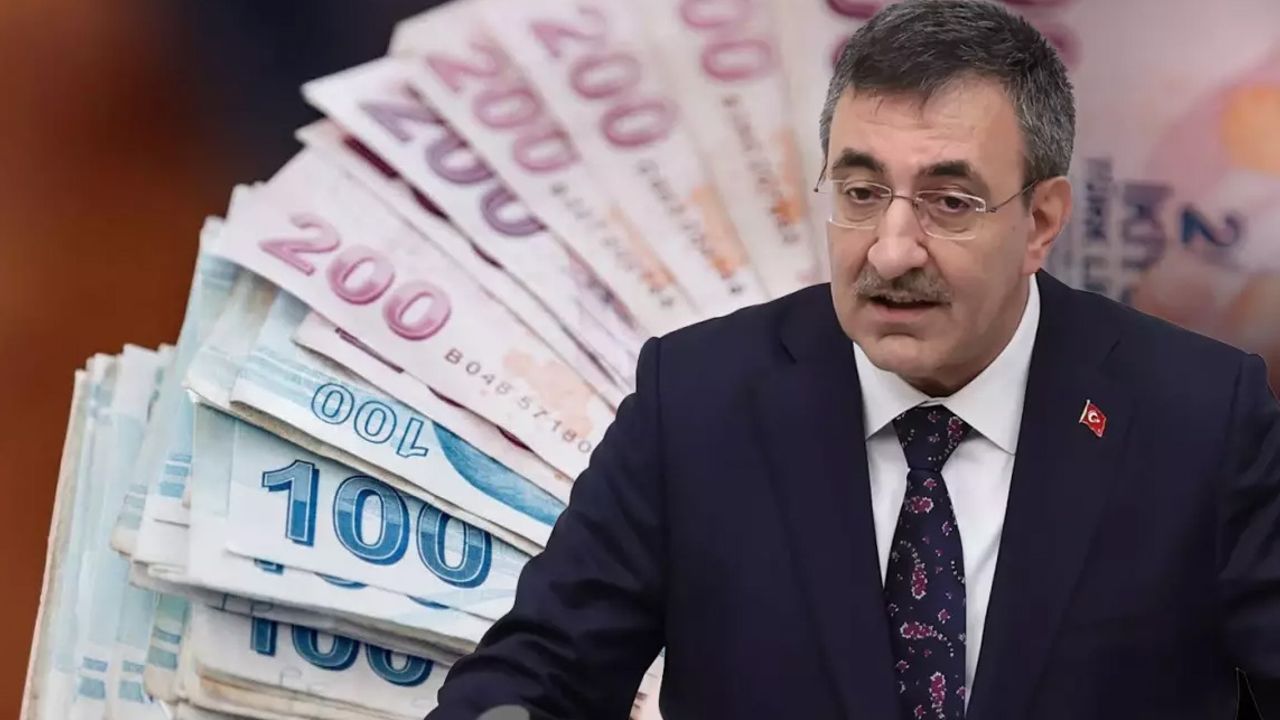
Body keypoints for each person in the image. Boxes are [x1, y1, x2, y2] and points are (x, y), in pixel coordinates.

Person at [426, 1, 1280, 718]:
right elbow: (537, 676)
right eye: (862, 194)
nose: (891, 250)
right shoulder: (693, 401)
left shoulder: (1202, 418)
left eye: (950, 202)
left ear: (1042, 222)